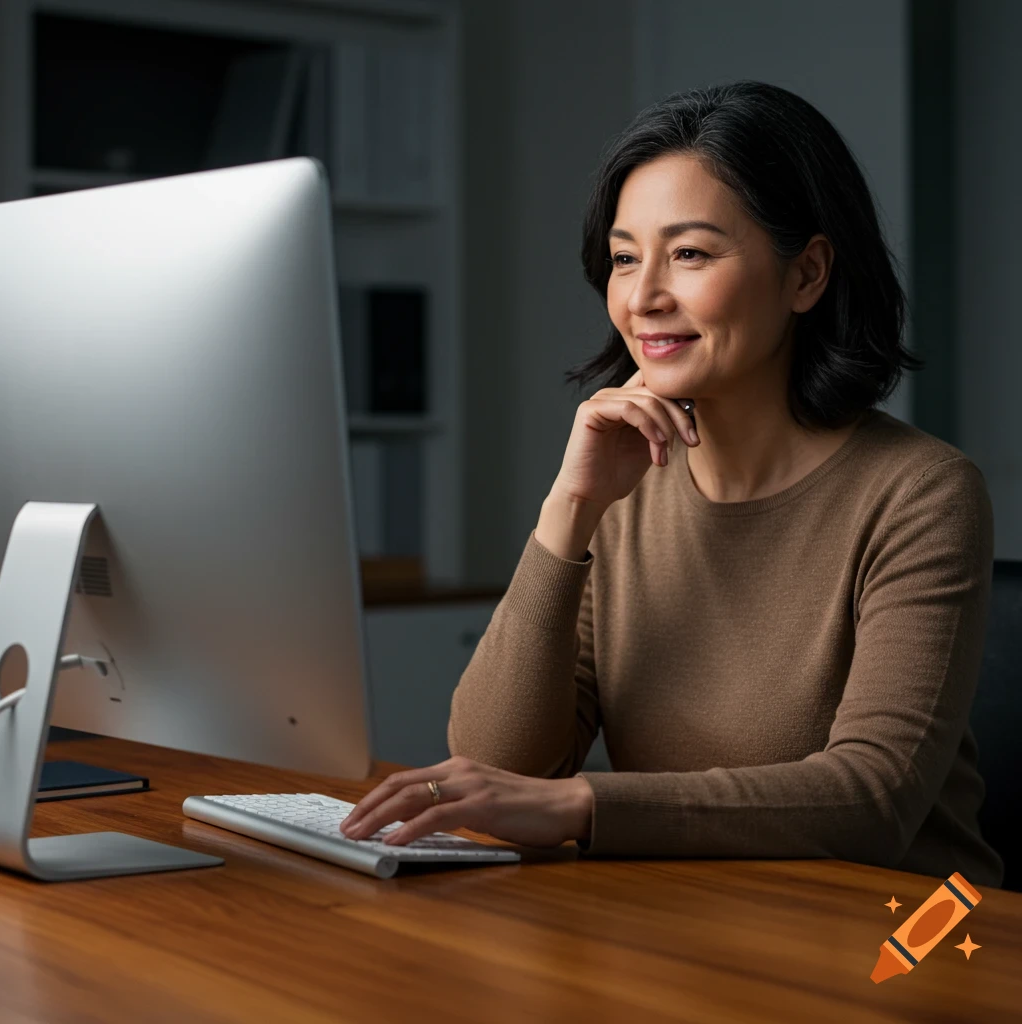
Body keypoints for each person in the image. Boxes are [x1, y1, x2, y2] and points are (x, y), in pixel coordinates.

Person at [340, 81, 1004, 887]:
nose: (644, 297)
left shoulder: (922, 493)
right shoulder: (624, 490)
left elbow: (875, 798)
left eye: (689, 253)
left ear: (808, 275)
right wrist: (571, 510)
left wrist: (588, 806)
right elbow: (496, 762)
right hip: (697, 916)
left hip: (912, 941)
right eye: (625, 258)